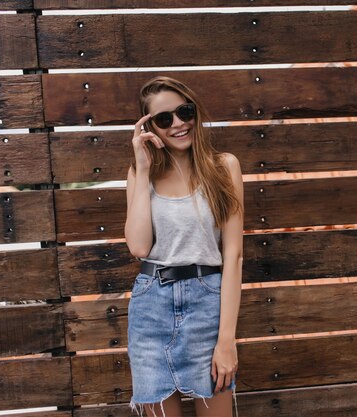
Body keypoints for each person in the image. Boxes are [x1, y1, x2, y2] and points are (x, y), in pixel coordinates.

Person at [124, 76, 243, 417]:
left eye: (184, 112)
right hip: (151, 310)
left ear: (195, 113)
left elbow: (233, 257)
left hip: (207, 306)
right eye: (164, 119)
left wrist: (226, 340)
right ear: (151, 128)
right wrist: (143, 168)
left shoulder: (224, 167)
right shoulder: (139, 173)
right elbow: (138, 245)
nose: (177, 124)